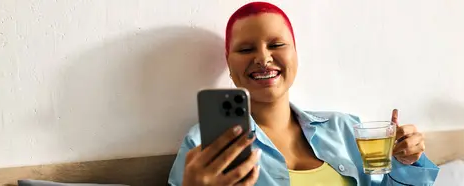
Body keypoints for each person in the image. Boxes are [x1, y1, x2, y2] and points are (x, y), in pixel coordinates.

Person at [168, 2, 439, 186]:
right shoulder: (202, 144)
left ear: (295, 55)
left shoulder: (346, 128)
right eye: (246, 49)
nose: (263, 58)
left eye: (276, 44)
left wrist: (406, 162)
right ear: (229, 64)